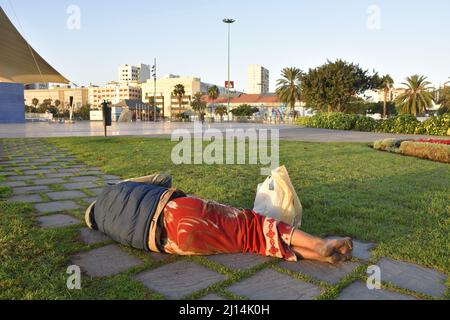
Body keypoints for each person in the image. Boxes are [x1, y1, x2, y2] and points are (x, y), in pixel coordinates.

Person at [85, 174, 353, 264]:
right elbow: (162, 179)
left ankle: (319, 256)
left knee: (250, 241)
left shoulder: (106, 227)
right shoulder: (115, 188)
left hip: (169, 243)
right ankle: (318, 244)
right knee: (252, 224)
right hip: (178, 211)